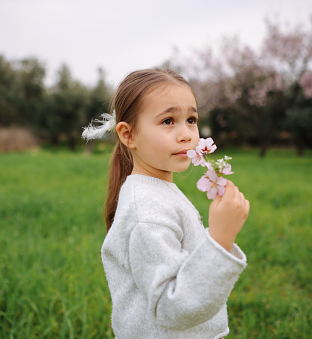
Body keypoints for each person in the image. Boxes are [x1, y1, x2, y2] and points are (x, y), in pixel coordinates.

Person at [82, 68, 250, 338]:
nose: (186, 134)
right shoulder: (146, 211)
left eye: (191, 119)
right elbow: (172, 308)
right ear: (128, 135)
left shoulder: (157, 191)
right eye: (168, 121)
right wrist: (220, 239)